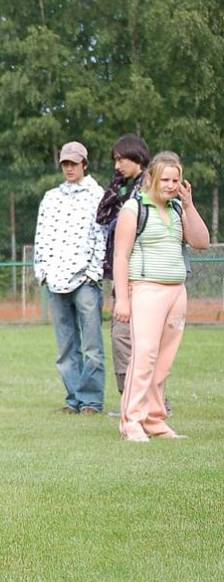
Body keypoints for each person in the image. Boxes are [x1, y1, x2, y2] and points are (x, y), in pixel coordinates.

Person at [114, 152, 209, 441]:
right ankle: (131, 421)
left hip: (176, 291)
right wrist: (122, 299)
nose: (170, 185)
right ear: (151, 179)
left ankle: (155, 420)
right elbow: (121, 255)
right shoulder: (133, 210)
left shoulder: (179, 209)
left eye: (176, 179)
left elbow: (201, 242)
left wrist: (190, 205)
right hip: (145, 289)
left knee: (164, 360)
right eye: (165, 179)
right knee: (144, 355)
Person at [34, 141, 106, 415]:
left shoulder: (97, 195)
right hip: (55, 279)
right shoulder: (51, 197)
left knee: (91, 345)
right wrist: (42, 270)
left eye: (74, 164)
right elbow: (41, 236)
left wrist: (93, 273)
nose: (69, 168)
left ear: (84, 165)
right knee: (65, 346)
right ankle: (73, 397)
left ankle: (91, 401)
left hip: (85, 280)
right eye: (65, 164)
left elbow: (102, 235)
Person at [96, 134, 150, 400]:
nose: (117, 165)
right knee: (121, 338)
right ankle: (130, 400)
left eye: (121, 159)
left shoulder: (149, 187)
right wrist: (117, 184)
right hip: (122, 274)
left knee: (145, 344)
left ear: (137, 157)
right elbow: (102, 216)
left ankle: (152, 403)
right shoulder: (124, 187)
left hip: (145, 275)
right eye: (115, 160)